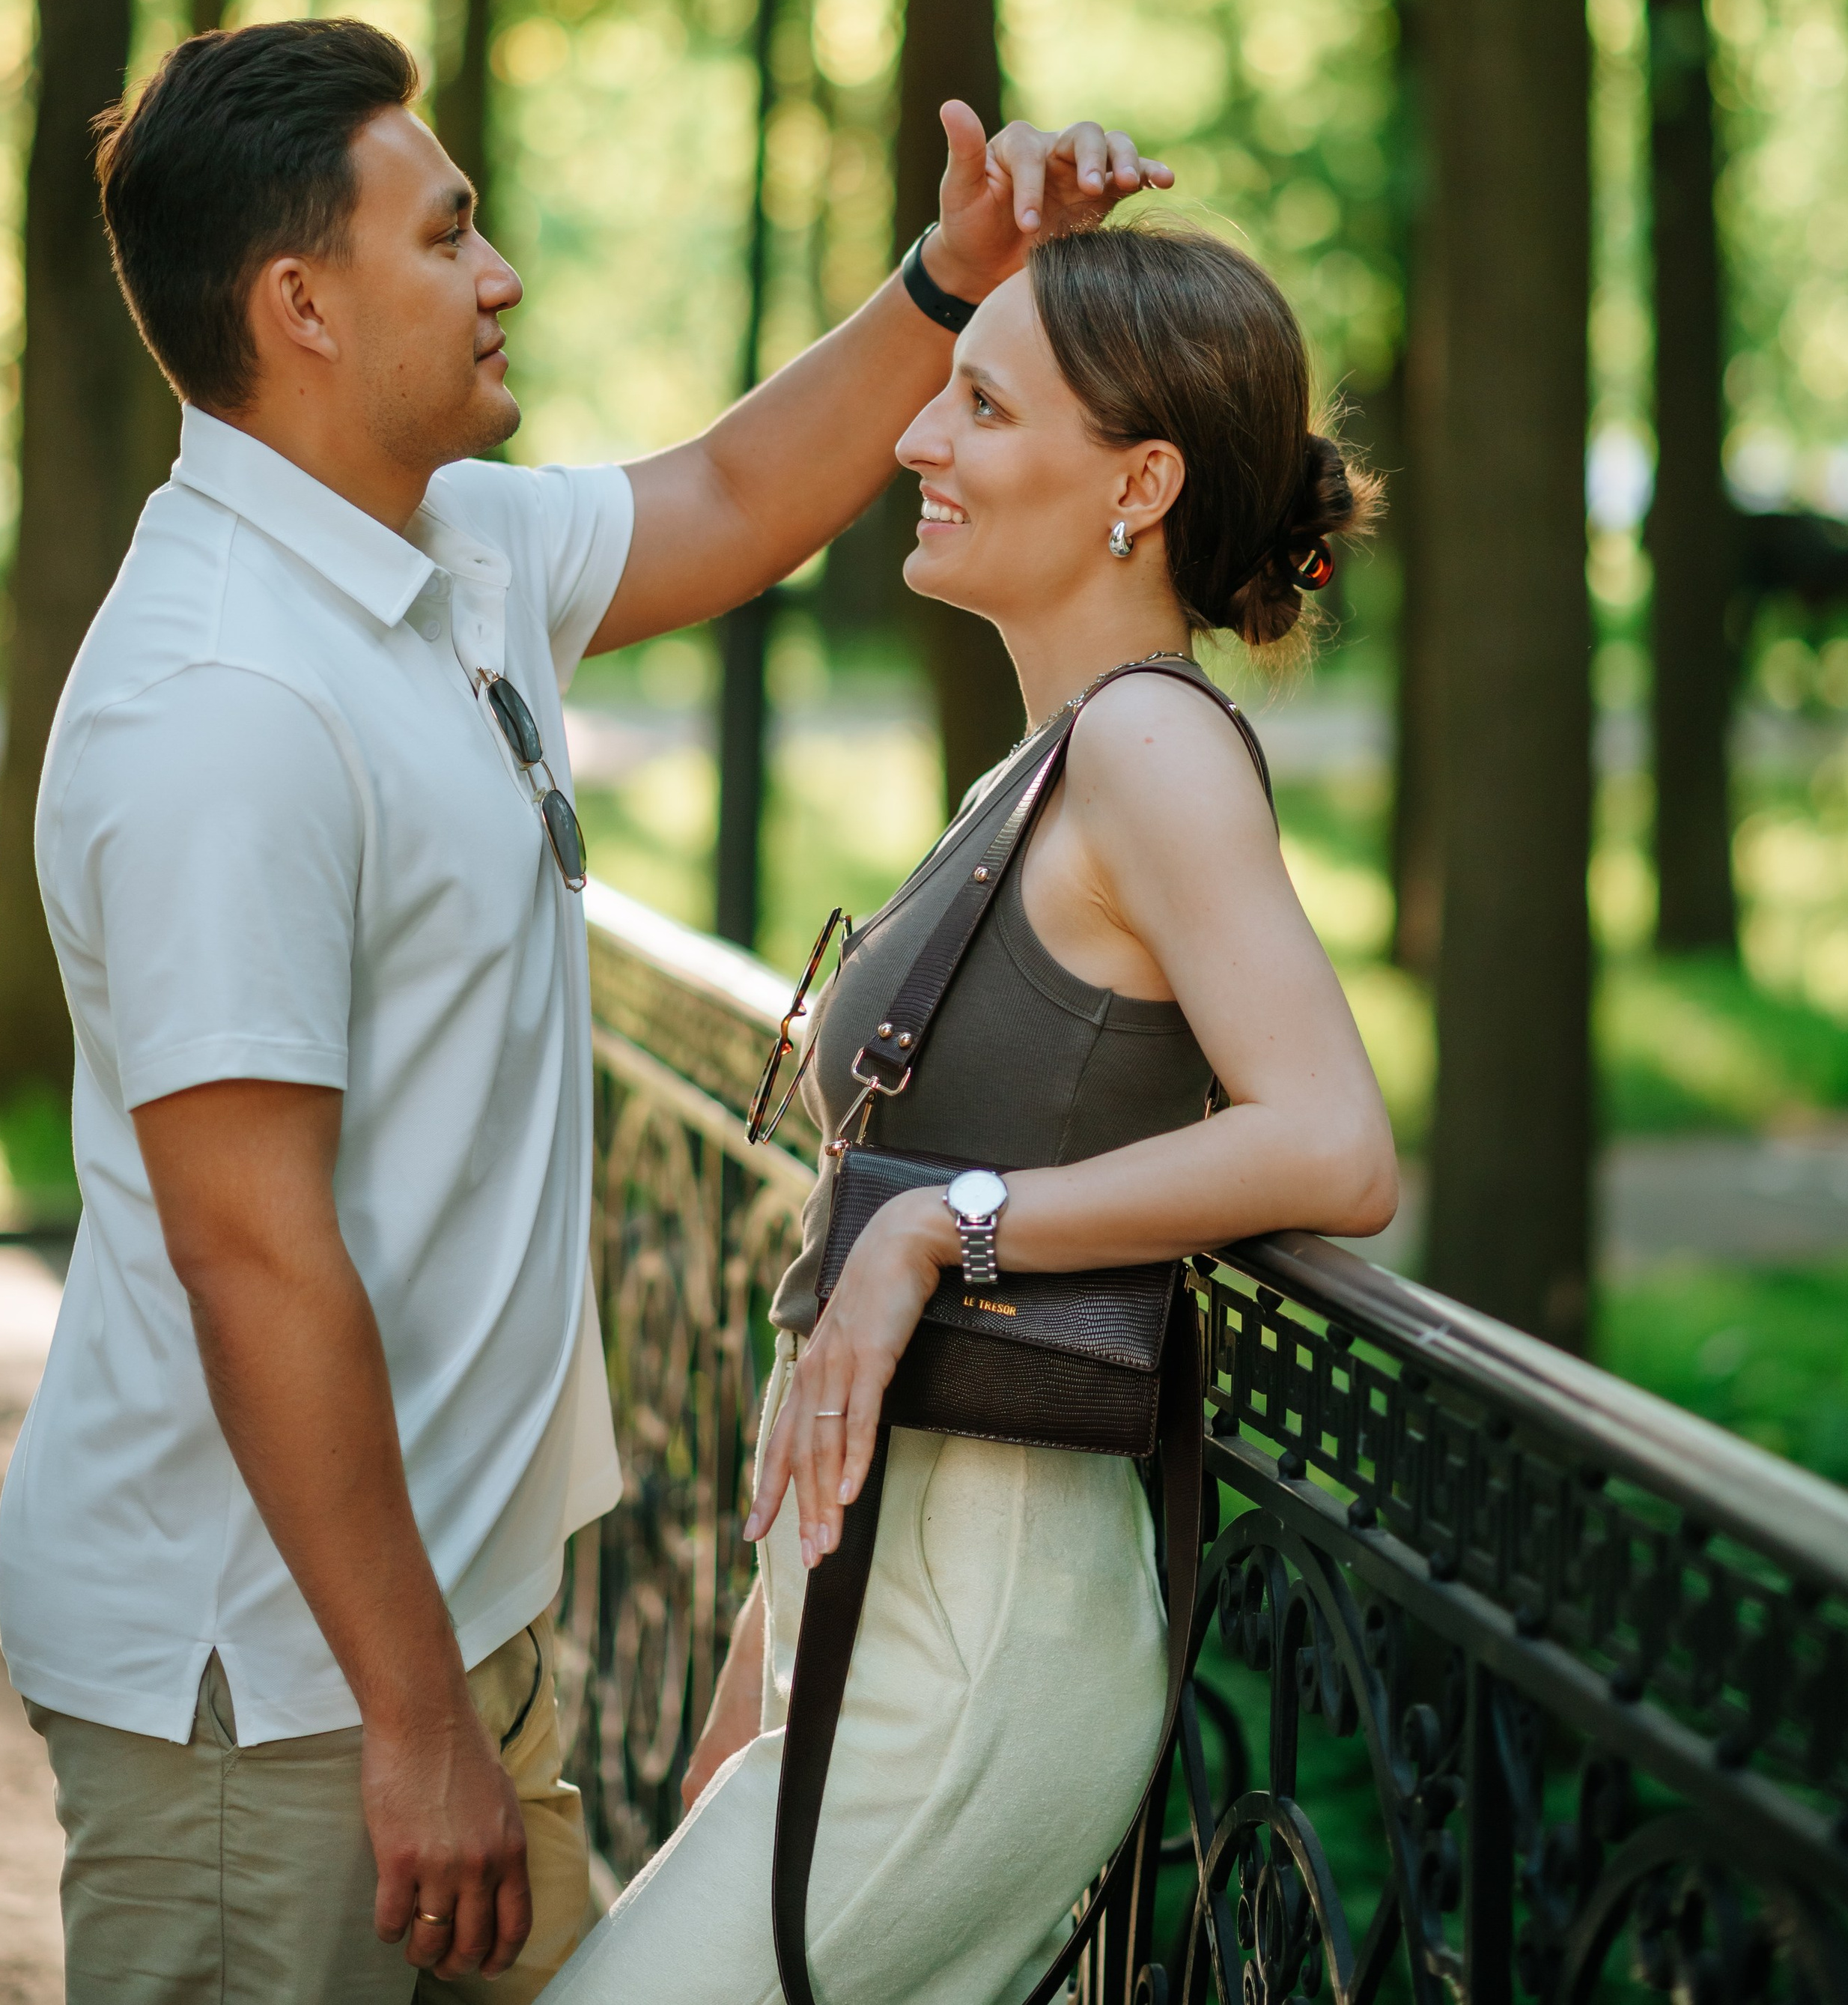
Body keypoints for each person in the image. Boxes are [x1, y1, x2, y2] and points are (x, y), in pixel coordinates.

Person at [0, 14, 1170, 2005]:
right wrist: (410, 1718)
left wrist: (946, 278)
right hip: (270, 1699)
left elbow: (730, 484)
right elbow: (252, 1250)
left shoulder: (442, 552)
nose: (501, 270)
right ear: (300, 302)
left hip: (442, 1643)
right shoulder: (223, 701)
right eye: (447, 236)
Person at [540, 220, 1400, 2005]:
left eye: (981, 404)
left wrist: (956, 1223)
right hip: (874, 1616)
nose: (916, 441)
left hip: (983, 1645)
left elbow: (1329, 1141)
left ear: (1136, 483)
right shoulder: (1039, 760)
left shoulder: (1149, 748)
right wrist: (755, 1675)